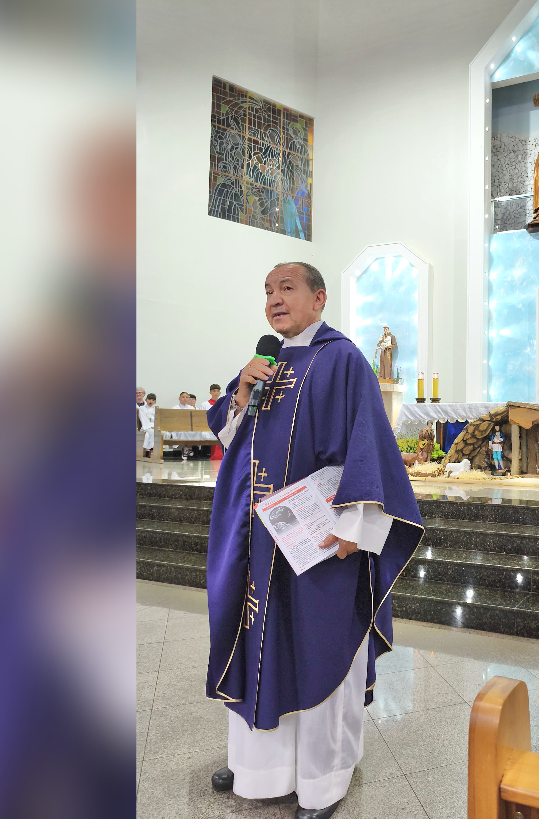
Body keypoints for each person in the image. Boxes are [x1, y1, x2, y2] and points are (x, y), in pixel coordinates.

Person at [204, 261, 423, 818]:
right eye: (268, 291)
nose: (275, 300)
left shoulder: (343, 358)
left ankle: (323, 779)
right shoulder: (263, 363)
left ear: (319, 298)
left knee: (316, 646)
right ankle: (260, 766)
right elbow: (228, 435)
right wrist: (240, 394)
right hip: (256, 539)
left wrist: (355, 528)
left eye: (287, 288)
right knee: (257, 644)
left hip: (319, 540)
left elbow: (368, 444)